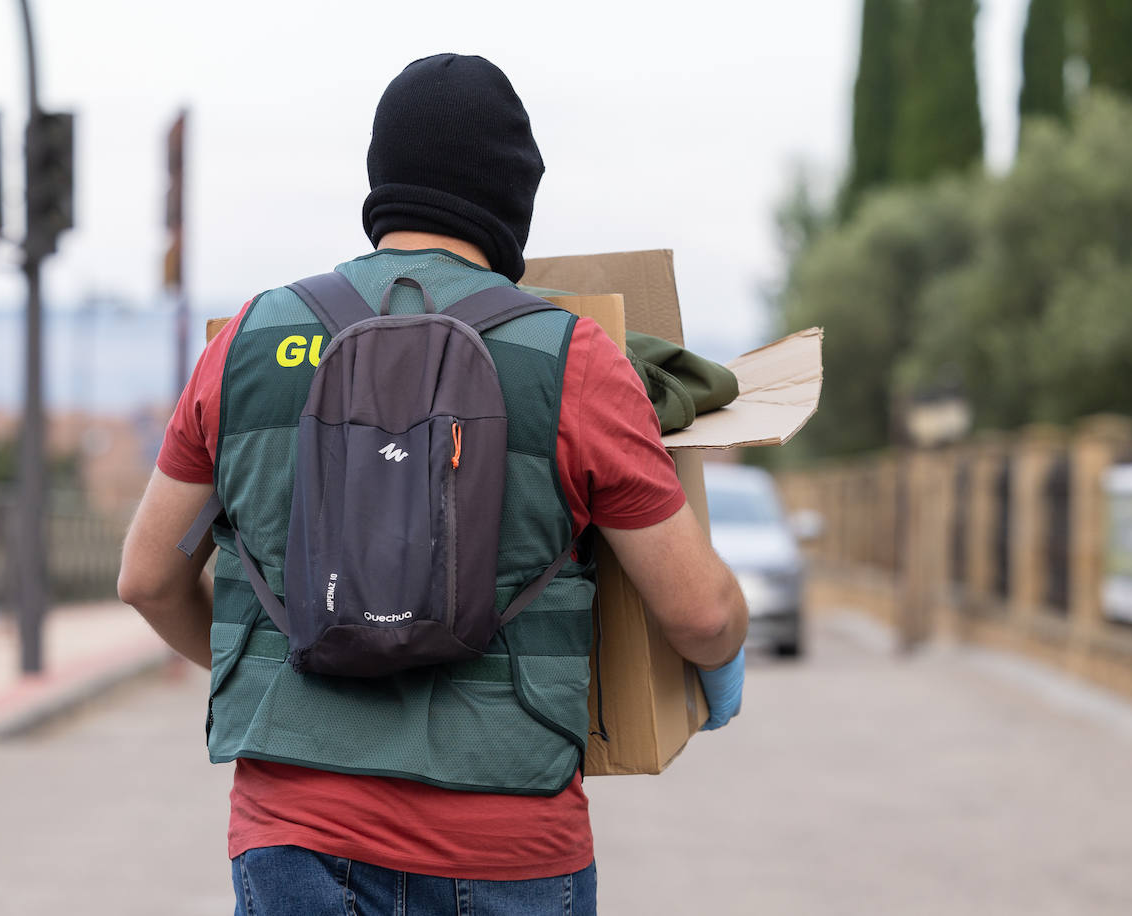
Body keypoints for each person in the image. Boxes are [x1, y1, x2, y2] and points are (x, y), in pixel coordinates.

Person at [118, 53, 749, 915]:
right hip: (505, 844)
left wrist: (278, 662)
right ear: (511, 197)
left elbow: (147, 578)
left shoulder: (248, 342)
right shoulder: (573, 359)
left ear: (382, 182)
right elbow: (700, 613)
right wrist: (726, 659)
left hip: (294, 835)